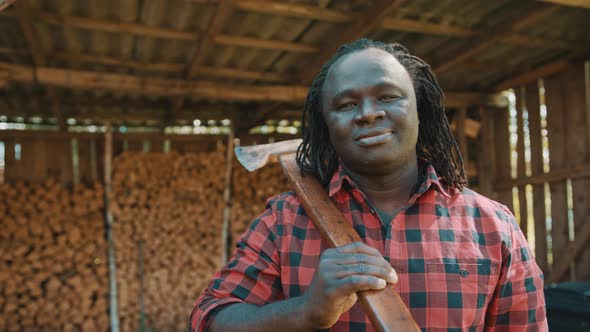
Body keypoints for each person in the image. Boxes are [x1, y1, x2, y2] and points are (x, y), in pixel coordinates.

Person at [189, 38, 547, 331]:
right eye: (346, 104)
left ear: (419, 109)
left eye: (388, 96)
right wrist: (306, 311)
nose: (368, 113)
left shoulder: (492, 225)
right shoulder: (285, 221)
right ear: (326, 124)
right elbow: (209, 319)